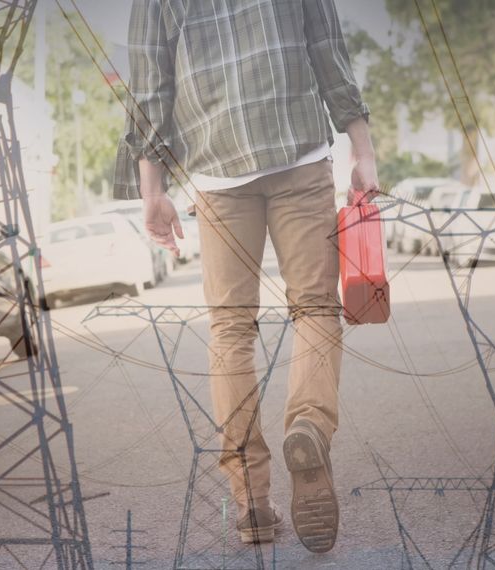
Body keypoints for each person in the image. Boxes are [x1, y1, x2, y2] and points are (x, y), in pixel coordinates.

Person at [113, 0, 378, 554]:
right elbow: (328, 50)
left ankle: (251, 501)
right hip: (299, 156)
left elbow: (150, 88)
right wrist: (363, 149)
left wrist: (152, 190)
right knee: (315, 309)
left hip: (216, 174)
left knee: (231, 330)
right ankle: (307, 426)